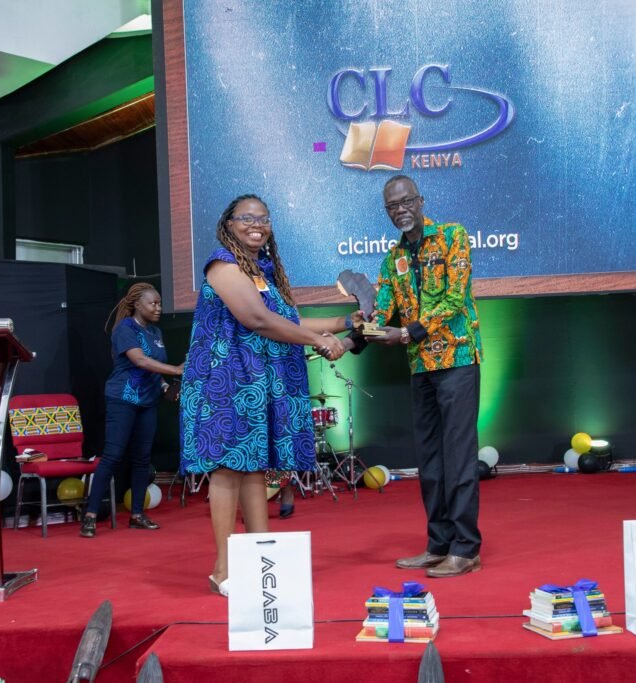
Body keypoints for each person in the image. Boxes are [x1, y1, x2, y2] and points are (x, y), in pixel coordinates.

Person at [180, 193, 361, 596]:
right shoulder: (222, 264)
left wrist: (347, 321)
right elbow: (257, 319)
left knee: (254, 468)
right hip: (224, 381)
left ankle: (261, 562)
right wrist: (319, 341)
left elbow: (288, 321)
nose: (256, 225)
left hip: (254, 382)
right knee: (227, 468)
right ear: (229, 224)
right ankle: (223, 570)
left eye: (263, 218)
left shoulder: (262, 271)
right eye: (246, 218)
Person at [365, 175, 484, 578]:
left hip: (458, 360)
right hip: (420, 367)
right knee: (430, 461)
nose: (400, 210)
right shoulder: (391, 259)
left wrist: (406, 333)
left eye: (406, 202)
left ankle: (466, 549)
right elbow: (382, 311)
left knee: (458, 457)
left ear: (420, 201)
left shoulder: (452, 236)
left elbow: (454, 298)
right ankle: (439, 544)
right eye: (392, 206)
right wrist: (359, 329)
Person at [80, 283, 183, 538]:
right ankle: (90, 515)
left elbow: (154, 368)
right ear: (137, 304)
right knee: (113, 456)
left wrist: (165, 387)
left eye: (160, 303)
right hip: (123, 399)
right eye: (153, 303)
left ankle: (137, 514)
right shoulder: (125, 328)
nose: (158, 308)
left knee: (142, 459)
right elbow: (140, 360)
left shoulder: (156, 332)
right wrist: (177, 369)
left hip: (148, 402)